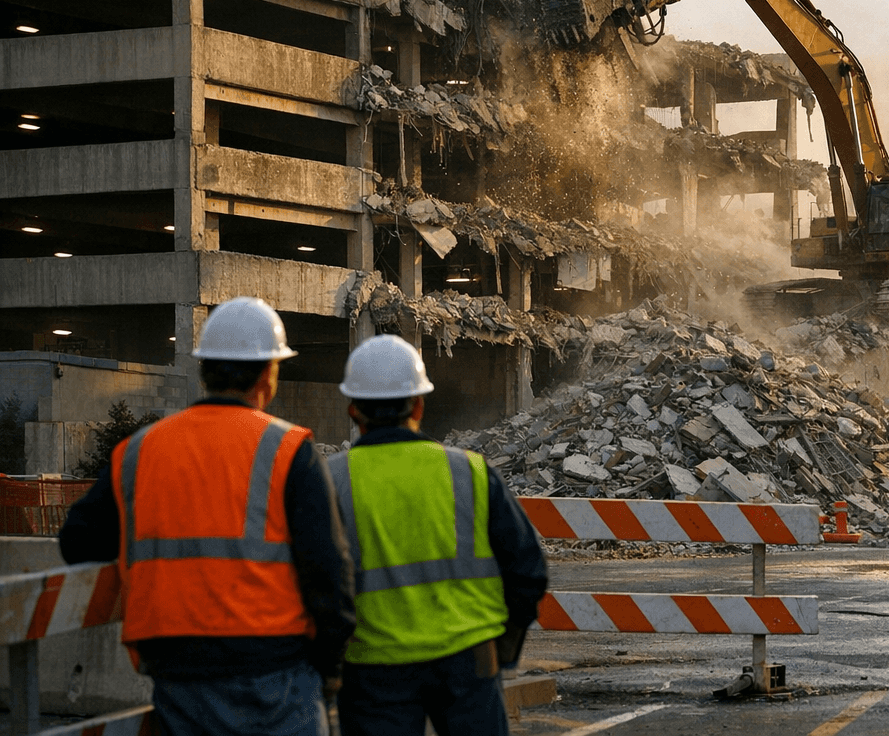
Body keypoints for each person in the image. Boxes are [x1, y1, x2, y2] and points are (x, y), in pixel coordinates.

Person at [59, 297, 355, 736]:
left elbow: (78, 542)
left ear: (204, 371)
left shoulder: (139, 452)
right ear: (269, 374)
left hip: (177, 671)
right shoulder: (288, 450)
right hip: (273, 668)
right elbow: (328, 573)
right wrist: (331, 667)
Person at [329, 335, 547, 736]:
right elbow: (528, 570)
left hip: (374, 669)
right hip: (469, 662)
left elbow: (319, 586)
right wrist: (503, 649)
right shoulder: (470, 472)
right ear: (419, 405)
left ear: (353, 408)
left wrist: (329, 665)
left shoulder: (332, 480)